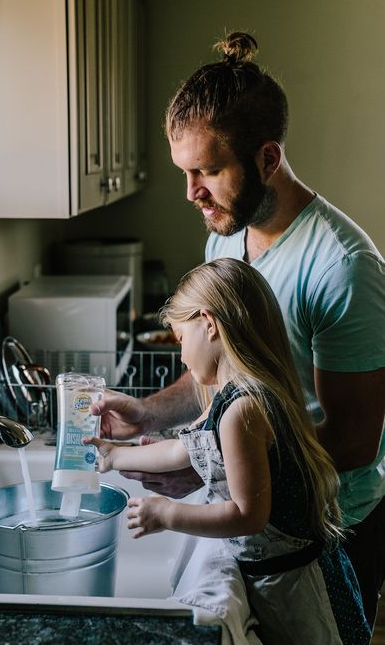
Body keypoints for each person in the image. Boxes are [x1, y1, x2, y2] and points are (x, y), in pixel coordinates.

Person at [90, 31, 385, 628]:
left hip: (328, 533)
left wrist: (212, 463)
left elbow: (353, 440)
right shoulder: (227, 233)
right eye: (185, 171)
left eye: (209, 171)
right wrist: (148, 416)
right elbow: (216, 372)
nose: (192, 193)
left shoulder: (343, 267)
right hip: (259, 516)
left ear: (267, 159)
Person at [86, 258, 370, 644]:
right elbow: (180, 452)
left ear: (209, 323)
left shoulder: (243, 410)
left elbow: (247, 515)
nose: (181, 354)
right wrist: (114, 454)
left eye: (180, 339)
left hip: (297, 589)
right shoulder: (233, 393)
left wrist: (168, 513)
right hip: (277, 574)